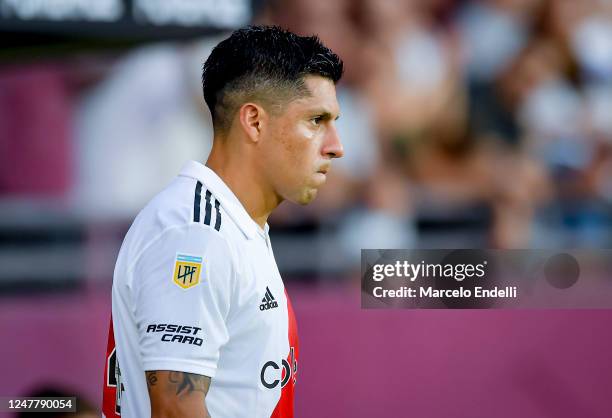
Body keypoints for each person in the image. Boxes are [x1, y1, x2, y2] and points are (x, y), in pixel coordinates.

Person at [102, 25, 344, 418]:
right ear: (254, 121)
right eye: (316, 120)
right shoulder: (195, 233)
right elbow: (175, 409)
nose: (336, 146)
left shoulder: (236, 226)